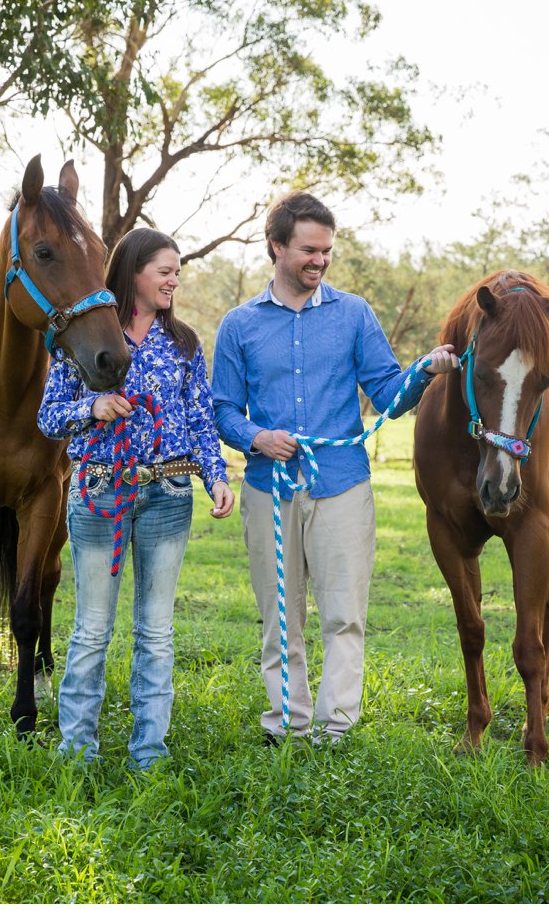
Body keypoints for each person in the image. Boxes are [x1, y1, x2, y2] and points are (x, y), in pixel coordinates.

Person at [212, 192, 457, 744]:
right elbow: (221, 407)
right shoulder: (239, 325)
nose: (319, 260)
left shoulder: (354, 315)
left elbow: (388, 393)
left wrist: (422, 372)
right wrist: (256, 436)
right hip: (267, 489)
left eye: (326, 251)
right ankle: (286, 725)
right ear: (276, 247)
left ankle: (335, 729)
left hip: (342, 485)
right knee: (281, 621)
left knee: (344, 616)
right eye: (308, 250)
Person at [38, 227, 235, 770]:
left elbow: (199, 417)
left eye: (177, 271)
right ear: (133, 273)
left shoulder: (186, 344)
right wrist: (92, 409)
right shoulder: (82, 339)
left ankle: (149, 754)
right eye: (164, 270)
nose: (174, 279)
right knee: (92, 629)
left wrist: (214, 474)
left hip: (168, 494)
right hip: (101, 489)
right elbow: (49, 416)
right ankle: (77, 754)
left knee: (156, 631)